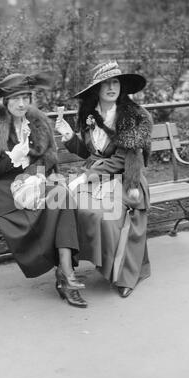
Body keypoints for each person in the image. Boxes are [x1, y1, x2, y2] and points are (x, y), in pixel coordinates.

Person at [0, 71, 87, 308]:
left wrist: (35, 170)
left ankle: (66, 274)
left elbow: (49, 163)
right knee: (62, 202)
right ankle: (66, 276)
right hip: (8, 195)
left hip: (35, 185)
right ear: (6, 101)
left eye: (26, 97)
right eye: (16, 98)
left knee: (62, 198)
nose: (21, 103)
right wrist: (12, 159)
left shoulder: (38, 123)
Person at [55, 61, 153, 298]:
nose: (111, 87)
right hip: (96, 178)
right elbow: (92, 153)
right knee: (66, 205)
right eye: (105, 83)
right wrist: (69, 136)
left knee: (107, 216)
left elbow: (120, 161)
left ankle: (125, 273)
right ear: (96, 89)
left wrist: (85, 177)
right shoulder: (90, 116)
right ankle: (66, 269)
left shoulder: (134, 117)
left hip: (126, 179)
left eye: (115, 82)